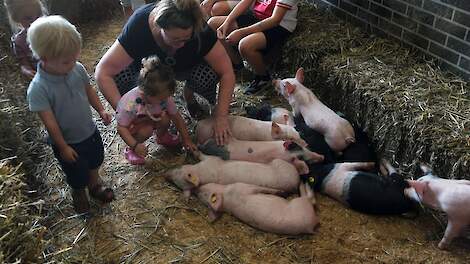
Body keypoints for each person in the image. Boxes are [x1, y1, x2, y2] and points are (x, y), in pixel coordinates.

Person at [95, 0, 235, 146]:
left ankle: (189, 95)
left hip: (184, 67)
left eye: (186, 39)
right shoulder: (140, 24)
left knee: (208, 74)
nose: (181, 45)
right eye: (175, 39)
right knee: (120, 75)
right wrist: (125, 113)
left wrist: (221, 116)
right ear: (158, 25)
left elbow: (227, 72)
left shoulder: (201, 30)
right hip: (149, 73)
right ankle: (146, 109)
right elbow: (103, 72)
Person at [26, 16, 114, 214]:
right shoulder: (39, 89)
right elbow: (50, 123)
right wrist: (63, 146)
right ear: (44, 58)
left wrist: (100, 109)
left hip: (89, 130)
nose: (74, 63)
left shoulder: (77, 68)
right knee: (75, 171)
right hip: (68, 141)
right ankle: (79, 191)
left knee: (95, 160)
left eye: (75, 57)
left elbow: (88, 90)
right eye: (67, 61)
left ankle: (94, 184)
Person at [116, 56, 197, 165]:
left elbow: (177, 117)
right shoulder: (130, 103)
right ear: (145, 94)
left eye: (167, 97)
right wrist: (135, 145)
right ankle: (131, 150)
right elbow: (121, 128)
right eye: (162, 98)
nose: (166, 100)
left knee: (165, 118)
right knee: (147, 130)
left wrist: (186, 139)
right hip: (136, 125)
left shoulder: (163, 97)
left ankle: (162, 136)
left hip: (153, 117)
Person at [208, 0, 299, 94]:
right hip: (258, 17)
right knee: (213, 23)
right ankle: (238, 66)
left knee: (245, 45)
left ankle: (263, 78)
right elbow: (246, 1)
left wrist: (241, 32)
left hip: (279, 24)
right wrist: (227, 22)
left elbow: (275, 20)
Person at [4, 0, 46, 79]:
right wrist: (27, 71)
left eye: (38, 16)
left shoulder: (51, 32)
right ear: (16, 19)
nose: (35, 22)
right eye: (27, 18)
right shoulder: (19, 41)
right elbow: (24, 64)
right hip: (41, 77)